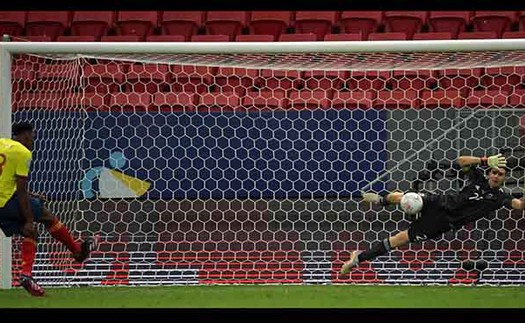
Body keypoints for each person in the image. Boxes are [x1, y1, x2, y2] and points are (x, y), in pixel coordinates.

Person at [340, 153, 524, 275]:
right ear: (489, 172)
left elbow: (520, 205)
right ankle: (381, 201)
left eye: (500, 174)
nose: (495, 176)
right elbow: (461, 161)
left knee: (400, 240)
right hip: (440, 202)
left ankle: (358, 258)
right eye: (493, 172)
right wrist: (484, 160)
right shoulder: (477, 177)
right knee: (408, 198)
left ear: (504, 178)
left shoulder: (501, 197)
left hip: (443, 222)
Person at [0, 121, 98, 296]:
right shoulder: (23, 152)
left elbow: (6, 179)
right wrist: (29, 219)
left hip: (5, 200)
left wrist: (33, 196)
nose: (33, 140)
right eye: (33, 136)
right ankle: (77, 252)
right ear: (26, 135)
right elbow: (21, 189)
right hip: (6, 201)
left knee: (30, 234)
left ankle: (26, 275)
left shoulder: (1, 144)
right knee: (45, 215)